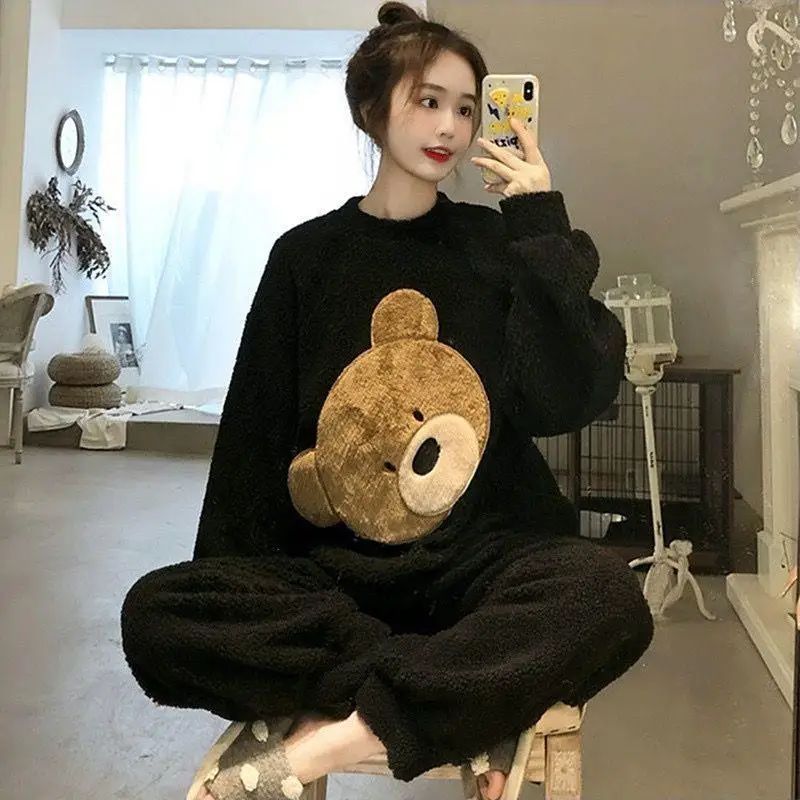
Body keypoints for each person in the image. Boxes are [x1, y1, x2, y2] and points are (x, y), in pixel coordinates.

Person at [120, 4, 655, 800]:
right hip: (337, 587)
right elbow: (254, 436)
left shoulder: (492, 243)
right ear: (372, 109)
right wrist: (237, 586)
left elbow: (565, 397)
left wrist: (539, 217)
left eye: (466, 108)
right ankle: (465, 699)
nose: (451, 127)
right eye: (428, 101)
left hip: (480, 563)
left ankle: (343, 731)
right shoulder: (305, 258)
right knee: (156, 614)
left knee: (607, 596)